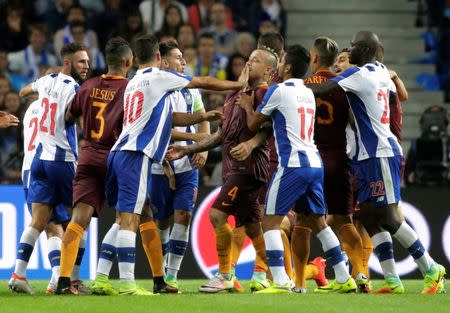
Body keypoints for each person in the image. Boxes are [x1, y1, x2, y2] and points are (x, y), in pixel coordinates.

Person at [104, 34, 247, 296]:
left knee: (124, 216)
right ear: (159, 58)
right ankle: (126, 284)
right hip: (137, 155)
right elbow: (204, 81)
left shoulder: (134, 81)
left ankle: (106, 277)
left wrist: (202, 117)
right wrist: (239, 84)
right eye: (178, 58)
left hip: (121, 152)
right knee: (131, 219)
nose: (183, 62)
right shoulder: (160, 78)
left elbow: (170, 117)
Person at [308, 30, 446, 294]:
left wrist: (291, 87)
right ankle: (393, 280)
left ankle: (431, 267)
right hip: (367, 156)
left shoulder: (358, 75)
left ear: (366, 50)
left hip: (380, 153)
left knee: (390, 217)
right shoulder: (382, 71)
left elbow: (324, 88)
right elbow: (395, 97)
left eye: (354, 46)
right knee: (370, 216)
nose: (350, 48)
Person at [236, 44, 356, 294]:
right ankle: (344, 277)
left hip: (292, 164)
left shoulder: (277, 91)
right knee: (319, 222)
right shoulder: (308, 92)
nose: (278, 66)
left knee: (268, 222)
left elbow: (253, 124)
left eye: (281, 62)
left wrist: (247, 105)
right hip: (314, 163)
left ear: (287, 67)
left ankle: (280, 282)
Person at [167, 47, 278, 293]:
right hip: (233, 167)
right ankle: (280, 274)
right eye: (248, 59)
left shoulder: (263, 93)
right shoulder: (235, 96)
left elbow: (270, 126)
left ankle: (225, 274)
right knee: (251, 226)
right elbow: (220, 135)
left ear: (268, 71)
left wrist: (250, 144)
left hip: (248, 168)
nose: (248, 64)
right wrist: (189, 149)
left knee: (216, 215)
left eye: (255, 61)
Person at [8, 43, 89, 295]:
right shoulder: (75, 89)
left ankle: (20, 274)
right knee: (79, 220)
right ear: (67, 63)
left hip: (35, 163)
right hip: (62, 161)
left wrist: (43, 86)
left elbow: (22, 91)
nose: (87, 66)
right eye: (81, 62)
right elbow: (77, 120)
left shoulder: (45, 83)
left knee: (42, 222)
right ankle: (71, 280)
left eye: (87, 62)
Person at [54, 37, 133, 295]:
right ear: (128, 62)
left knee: (78, 220)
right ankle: (116, 280)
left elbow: (68, 115)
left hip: (87, 156)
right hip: (116, 159)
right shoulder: (130, 89)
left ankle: (65, 281)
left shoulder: (87, 86)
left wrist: (86, 124)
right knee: (126, 218)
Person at [304, 37, 368, 293]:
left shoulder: (303, 85)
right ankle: (360, 274)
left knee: (303, 223)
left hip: (312, 160)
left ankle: (296, 281)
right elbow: (355, 122)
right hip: (340, 159)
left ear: (315, 58)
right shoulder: (346, 87)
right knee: (344, 220)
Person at [150, 40, 210, 292]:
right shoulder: (155, 90)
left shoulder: (190, 90)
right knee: (162, 221)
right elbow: (163, 129)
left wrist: (204, 147)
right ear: (163, 62)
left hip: (187, 165)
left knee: (183, 215)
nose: (184, 61)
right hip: (159, 166)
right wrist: (198, 139)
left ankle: (172, 275)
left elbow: (204, 117)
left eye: (184, 57)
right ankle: (160, 269)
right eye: (178, 57)